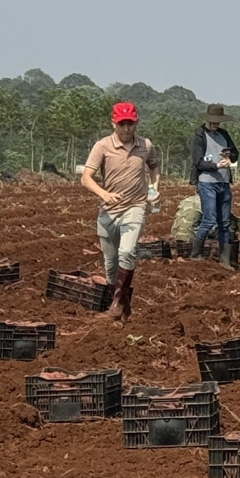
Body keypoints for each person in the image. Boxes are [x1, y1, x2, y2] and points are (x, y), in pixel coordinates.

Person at [80, 102, 160, 320]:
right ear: (113, 123)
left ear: (137, 123)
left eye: (130, 124)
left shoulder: (145, 145)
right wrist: (104, 194)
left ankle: (116, 305)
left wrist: (154, 187)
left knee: (127, 251)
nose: (126, 129)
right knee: (111, 262)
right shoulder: (102, 146)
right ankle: (123, 304)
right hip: (109, 211)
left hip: (135, 207)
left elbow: (153, 167)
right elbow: (86, 178)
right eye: (122, 124)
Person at [188, 103, 240, 268]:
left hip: (224, 183)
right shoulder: (199, 136)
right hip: (207, 182)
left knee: (224, 222)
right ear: (208, 120)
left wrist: (229, 157)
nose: (216, 125)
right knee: (209, 219)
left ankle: (224, 260)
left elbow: (236, 153)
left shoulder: (224, 134)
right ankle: (196, 254)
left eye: (219, 122)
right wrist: (216, 166)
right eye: (214, 122)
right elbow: (197, 162)